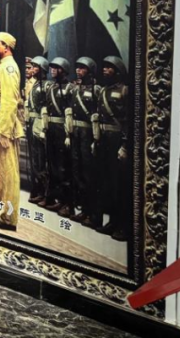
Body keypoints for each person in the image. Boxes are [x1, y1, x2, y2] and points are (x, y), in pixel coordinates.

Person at [0, 33, 23, 232]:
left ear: (6, 47)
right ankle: (5, 214)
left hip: (2, 128)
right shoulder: (2, 67)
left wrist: (5, 131)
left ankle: (9, 218)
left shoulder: (9, 68)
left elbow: (9, 101)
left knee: (8, 175)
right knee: (2, 175)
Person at [94, 56, 130, 241]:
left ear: (117, 71)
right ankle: (113, 222)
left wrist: (125, 145)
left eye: (109, 67)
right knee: (107, 183)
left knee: (120, 185)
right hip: (104, 141)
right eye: (104, 67)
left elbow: (129, 121)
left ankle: (123, 226)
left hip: (117, 140)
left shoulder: (125, 91)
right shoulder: (103, 91)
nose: (105, 70)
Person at [69, 56, 100, 227]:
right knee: (78, 170)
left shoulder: (96, 90)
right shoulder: (76, 89)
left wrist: (96, 138)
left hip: (88, 133)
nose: (78, 70)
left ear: (90, 70)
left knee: (89, 173)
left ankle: (93, 213)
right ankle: (84, 210)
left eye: (82, 68)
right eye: (77, 67)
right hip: (77, 132)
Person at [43, 57, 74, 217]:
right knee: (52, 165)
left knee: (64, 167)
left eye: (56, 67)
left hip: (63, 129)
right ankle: (55, 198)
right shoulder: (50, 87)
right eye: (52, 67)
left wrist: (68, 134)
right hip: (51, 129)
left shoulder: (70, 88)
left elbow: (70, 112)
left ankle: (67, 203)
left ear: (64, 70)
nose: (53, 70)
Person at [24, 56, 50, 207]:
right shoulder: (34, 84)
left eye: (35, 67)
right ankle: (38, 190)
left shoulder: (47, 85)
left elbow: (46, 108)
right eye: (32, 66)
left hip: (40, 124)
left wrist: (42, 127)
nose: (32, 69)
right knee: (35, 160)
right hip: (32, 123)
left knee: (42, 160)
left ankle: (45, 193)